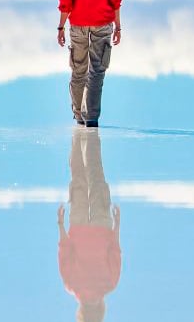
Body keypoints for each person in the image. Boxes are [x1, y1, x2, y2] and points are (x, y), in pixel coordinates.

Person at [57, 0, 123, 127]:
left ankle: (78, 115)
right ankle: (91, 118)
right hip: (102, 25)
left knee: (78, 71)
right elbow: (116, 0)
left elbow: (65, 1)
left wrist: (61, 27)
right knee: (96, 72)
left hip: (77, 25)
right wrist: (118, 26)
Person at [57, 128, 121, 322]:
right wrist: (60, 223)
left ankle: (89, 132)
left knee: (95, 174)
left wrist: (117, 224)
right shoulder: (71, 285)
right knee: (78, 178)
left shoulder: (110, 284)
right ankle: (79, 133)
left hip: (102, 226)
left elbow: (115, 251)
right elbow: (64, 250)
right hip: (79, 225)